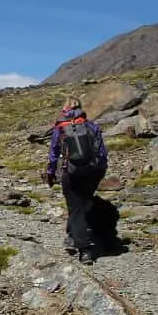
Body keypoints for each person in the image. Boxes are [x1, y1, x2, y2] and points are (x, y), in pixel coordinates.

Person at [44, 96, 108, 264]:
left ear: (65, 108)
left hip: (71, 172)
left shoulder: (61, 127)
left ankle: (84, 249)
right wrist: (100, 171)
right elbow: (102, 152)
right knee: (82, 203)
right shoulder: (91, 125)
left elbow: (53, 153)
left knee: (76, 207)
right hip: (92, 172)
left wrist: (50, 173)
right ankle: (72, 235)